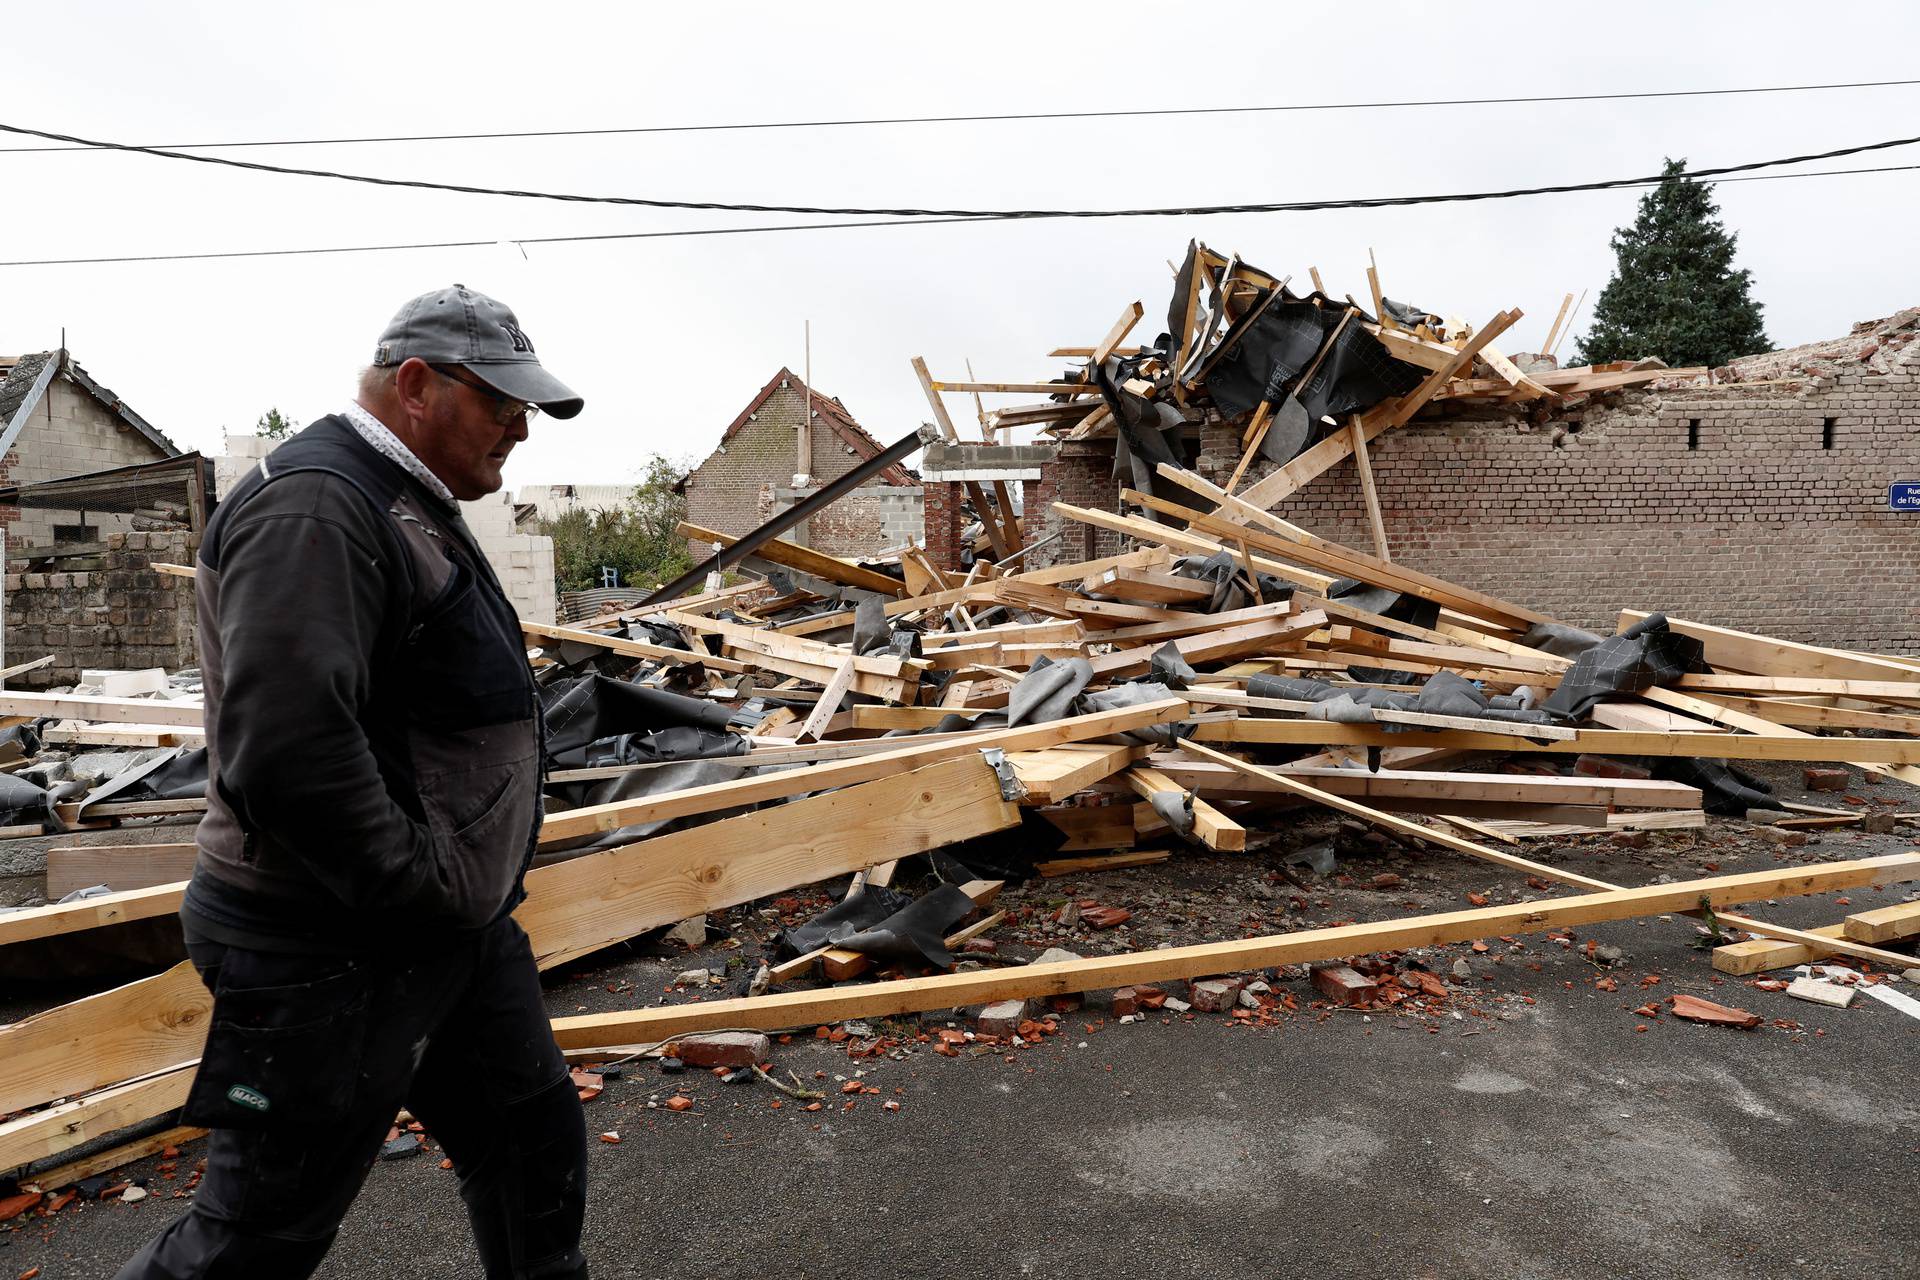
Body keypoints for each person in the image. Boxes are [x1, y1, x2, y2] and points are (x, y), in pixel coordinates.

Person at [116, 285, 590, 1280]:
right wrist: (418, 881)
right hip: (328, 939)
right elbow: (288, 752)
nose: (518, 429)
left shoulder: (398, 494)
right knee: (258, 1234)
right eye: (501, 403)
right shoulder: (316, 508)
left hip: (439, 933)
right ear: (416, 384)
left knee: (530, 1138)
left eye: (525, 410)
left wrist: (452, 895)